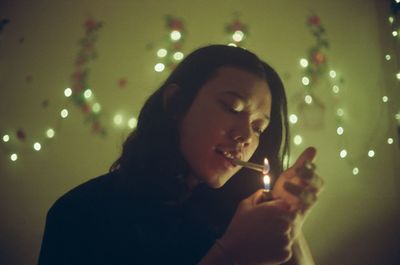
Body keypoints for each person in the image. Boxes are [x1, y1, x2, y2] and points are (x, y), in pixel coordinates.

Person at [38, 44, 323, 265]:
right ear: (175, 104)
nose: (246, 137)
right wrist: (232, 254)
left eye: (259, 127)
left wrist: (289, 214)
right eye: (232, 107)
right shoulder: (82, 214)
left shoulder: (239, 215)